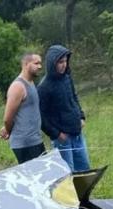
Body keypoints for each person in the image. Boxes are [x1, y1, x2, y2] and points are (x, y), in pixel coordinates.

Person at [39, 44, 90, 172]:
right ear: (52, 63)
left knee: (84, 169)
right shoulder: (44, 87)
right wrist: (56, 134)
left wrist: (81, 116)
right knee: (67, 172)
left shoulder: (67, 78)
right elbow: (41, 116)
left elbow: (74, 97)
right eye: (60, 62)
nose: (64, 65)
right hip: (63, 138)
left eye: (65, 61)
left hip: (77, 133)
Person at [0, 53, 45, 163]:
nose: (40, 66)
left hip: (35, 140)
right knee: (35, 172)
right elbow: (7, 118)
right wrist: (8, 130)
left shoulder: (31, 83)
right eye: (36, 63)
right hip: (25, 143)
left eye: (40, 63)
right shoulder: (18, 86)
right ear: (26, 64)